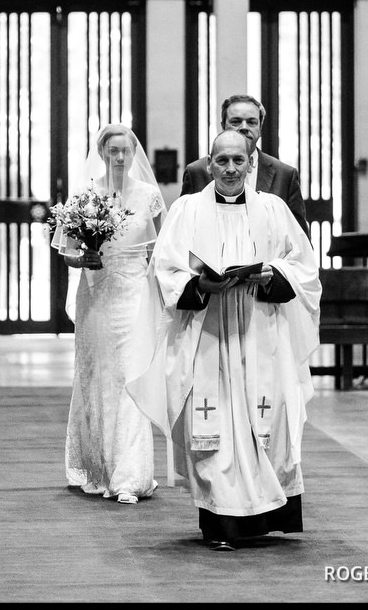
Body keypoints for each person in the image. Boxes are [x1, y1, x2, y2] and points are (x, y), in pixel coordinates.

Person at [127, 128, 321, 551]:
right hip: (209, 338)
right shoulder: (186, 210)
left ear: (252, 163)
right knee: (213, 426)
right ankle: (221, 523)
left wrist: (274, 274)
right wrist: (199, 285)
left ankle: (266, 516)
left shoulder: (272, 209)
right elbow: (165, 270)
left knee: (265, 421)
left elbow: (304, 266)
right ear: (208, 164)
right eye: (222, 161)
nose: (230, 169)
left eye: (239, 160)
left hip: (262, 332)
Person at [53, 123, 167, 504]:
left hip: (134, 294)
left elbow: (162, 250)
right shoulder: (85, 196)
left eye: (126, 150)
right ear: (101, 152)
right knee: (98, 375)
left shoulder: (149, 196)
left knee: (129, 376)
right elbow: (66, 251)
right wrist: (81, 257)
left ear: (135, 153)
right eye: (113, 150)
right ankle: (97, 464)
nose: (120, 156)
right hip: (97, 295)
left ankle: (130, 476)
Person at [180, 94, 308, 234]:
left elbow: (299, 242)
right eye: (236, 122)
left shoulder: (285, 175)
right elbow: (183, 233)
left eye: (252, 122)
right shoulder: (196, 172)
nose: (244, 127)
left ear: (260, 128)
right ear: (223, 125)